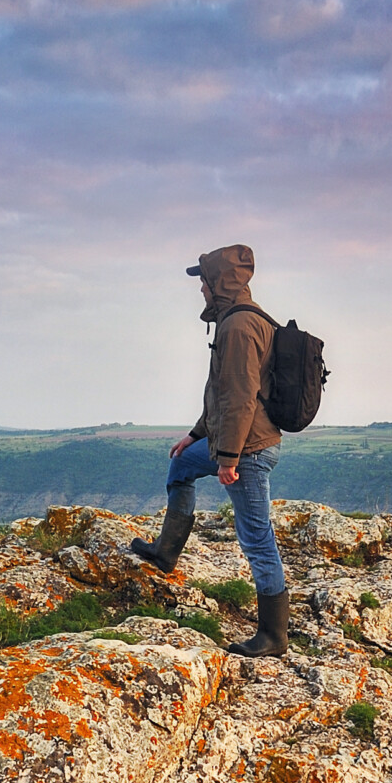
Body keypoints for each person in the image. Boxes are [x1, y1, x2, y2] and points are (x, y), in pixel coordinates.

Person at [129, 243, 289, 658]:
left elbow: (239, 397)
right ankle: (165, 552)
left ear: (219, 281)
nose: (200, 288)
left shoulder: (238, 327)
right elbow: (218, 394)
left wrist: (229, 459)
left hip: (248, 449)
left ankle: (273, 636)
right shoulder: (233, 320)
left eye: (203, 279)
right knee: (181, 465)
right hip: (230, 441)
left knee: (257, 538)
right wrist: (195, 436)